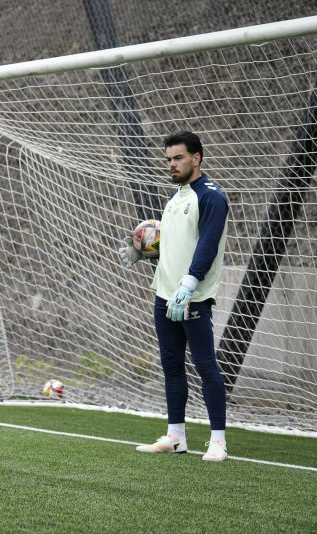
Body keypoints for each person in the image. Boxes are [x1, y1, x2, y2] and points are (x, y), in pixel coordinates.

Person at [119, 131, 229, 462]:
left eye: (178, 158)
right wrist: (143, 253)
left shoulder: (212, 197)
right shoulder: (175, 195)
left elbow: (207, 245)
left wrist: (189, 285)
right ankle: (176, 436)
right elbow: (175, 242)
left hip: (191, 297)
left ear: (196, 157)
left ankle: (218, 442)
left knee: (206, 365)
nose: (172, 164)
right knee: (171, 365)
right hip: (163, 295)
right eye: (168, 159)